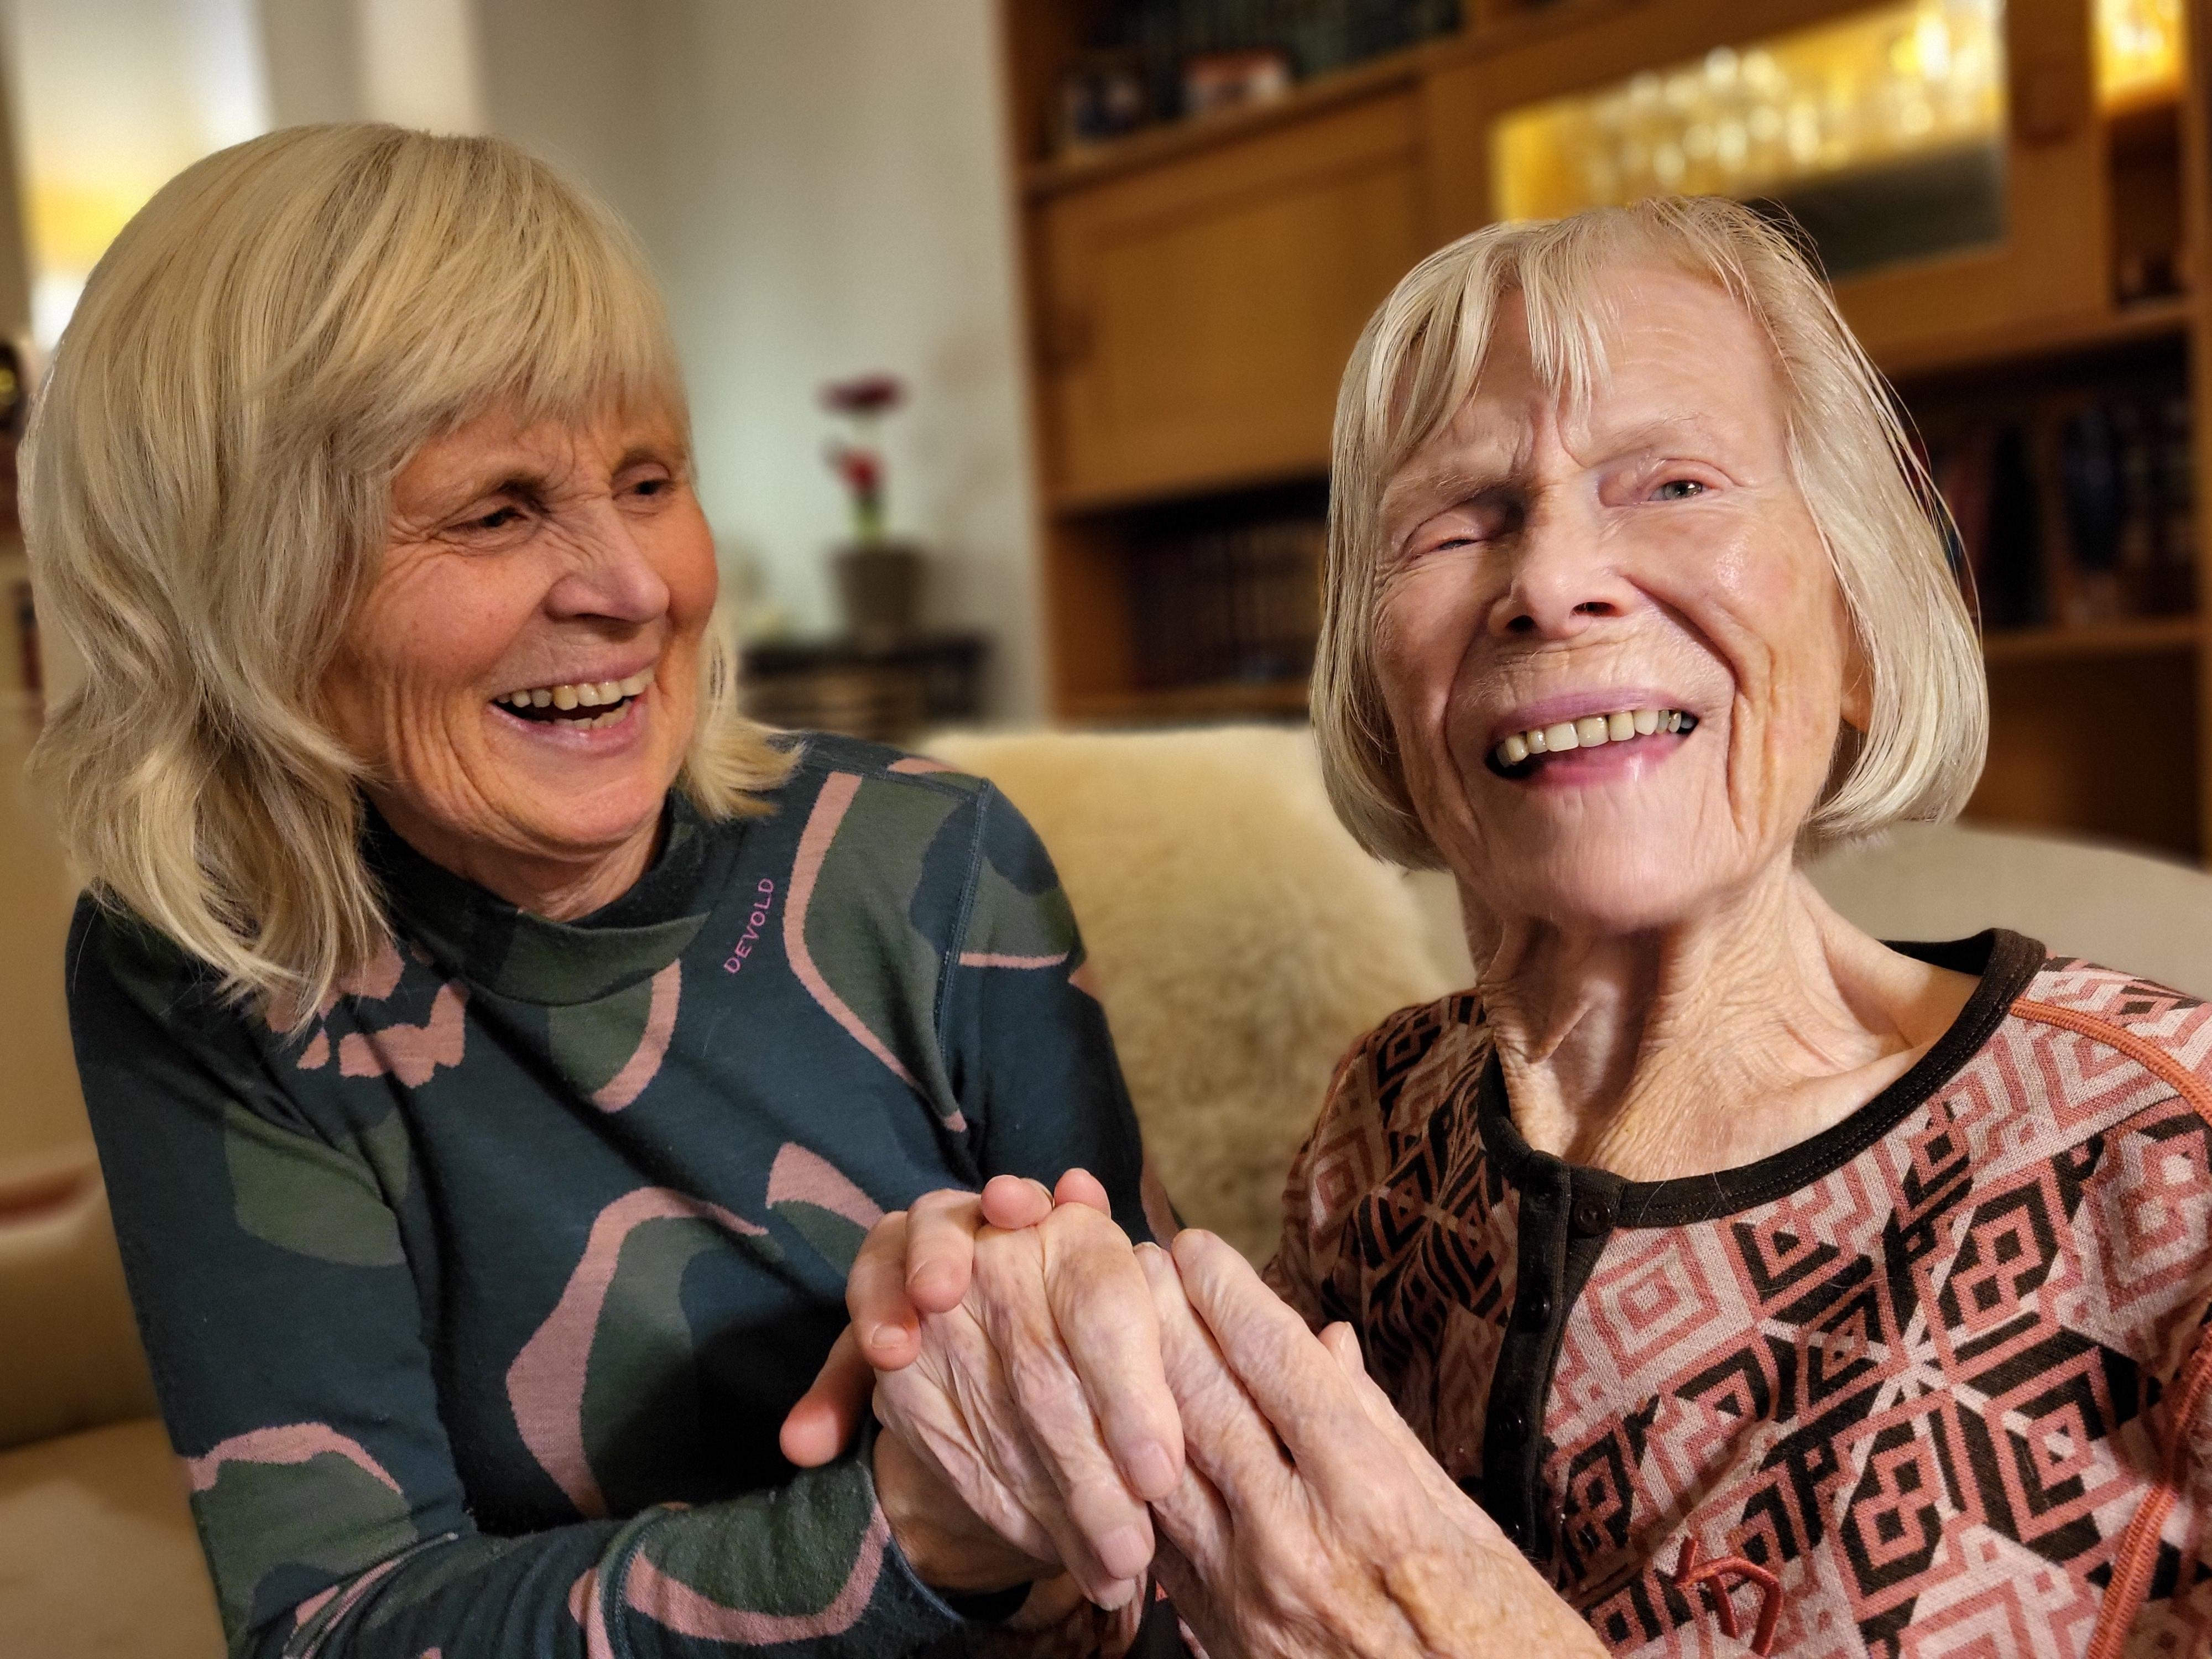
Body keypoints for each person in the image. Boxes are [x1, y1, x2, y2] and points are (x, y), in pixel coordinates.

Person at [795, 197, 2212, 1656]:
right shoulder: (1391, 1124)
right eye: (1457, 522)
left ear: (1855, 615)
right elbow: (1211, 1612)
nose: (1548, 582)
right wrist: (1021, 1429)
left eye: (1672, 484)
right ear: (1374, 683)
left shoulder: (2167, 1153)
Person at [30, 123, 1170, 1659]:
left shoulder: (928, 864)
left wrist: (1027, 1348)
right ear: (244, 576)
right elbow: (337, 1630)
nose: (634, 587)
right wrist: (901, 1531)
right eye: (497, 510)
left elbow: (1168, 1485)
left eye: (650, 480)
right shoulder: (212, 973)